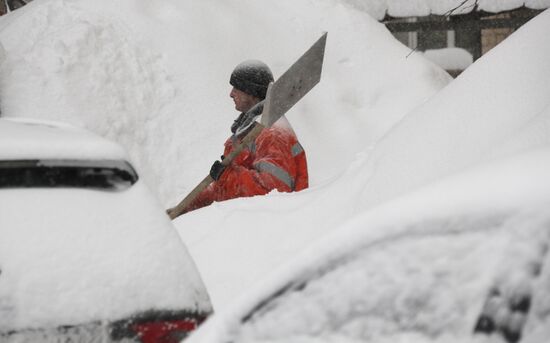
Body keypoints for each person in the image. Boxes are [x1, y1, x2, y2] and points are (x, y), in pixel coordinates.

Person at [182, 60, 308, 214]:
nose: (231, 94)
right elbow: (223, 190)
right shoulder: (246, 133)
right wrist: (187, 208)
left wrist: (227, 175)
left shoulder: (273, 133)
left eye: (236, 88)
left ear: (251, 91)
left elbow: (273, 192)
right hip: (239, 225)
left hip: (266, 229)